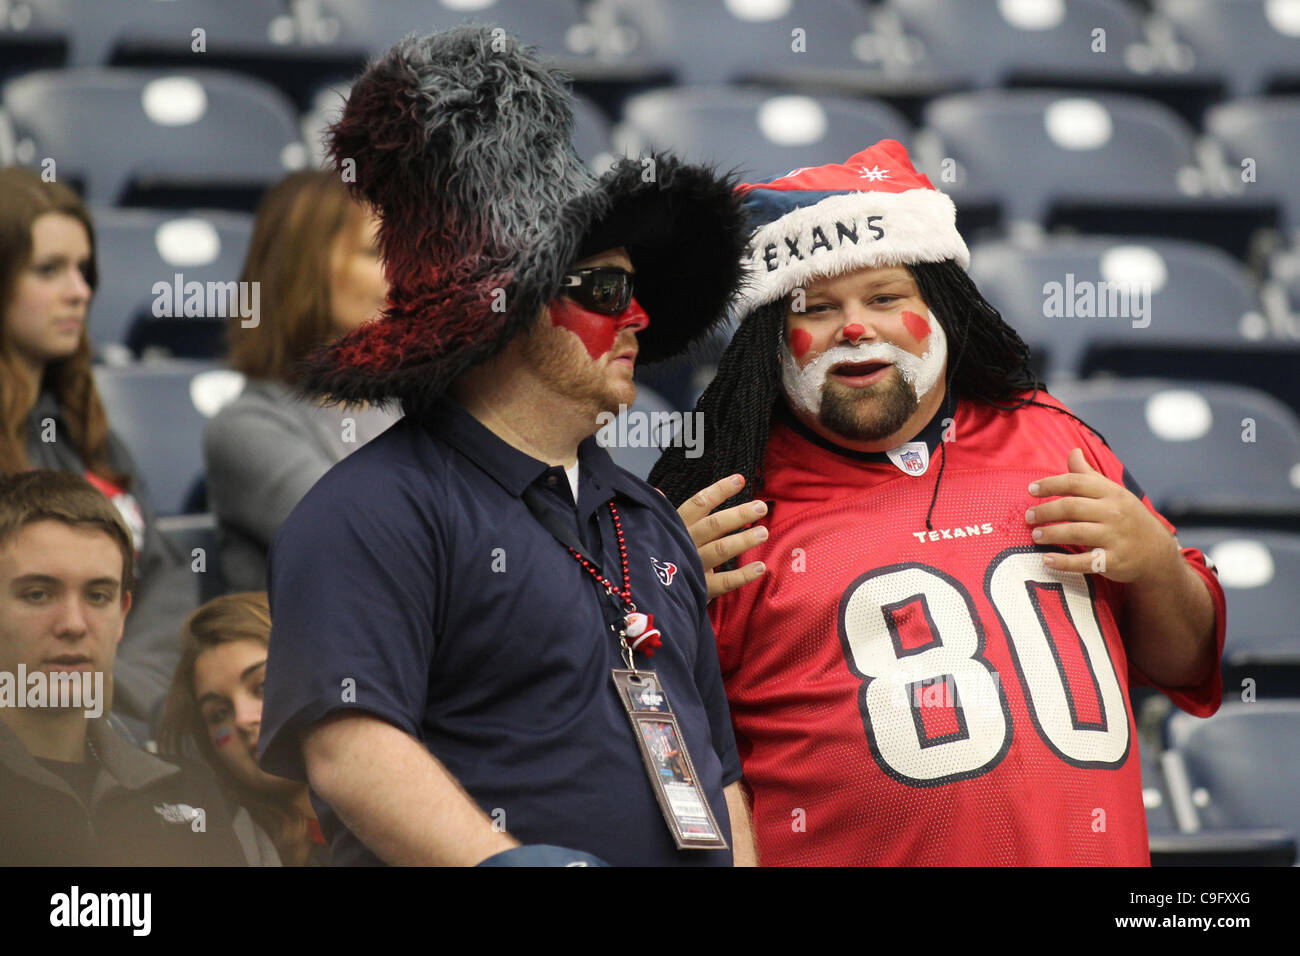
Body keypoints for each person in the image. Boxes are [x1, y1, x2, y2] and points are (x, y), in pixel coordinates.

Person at [257, 26, 756, 867]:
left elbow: (720, 774)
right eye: (605, 289)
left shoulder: (650, 522)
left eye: (635, 291)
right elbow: (348, 750)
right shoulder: (369, 511)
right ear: (511, 305)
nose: (637, 317)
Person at [650, 139, 1227, 866]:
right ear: (771, 339)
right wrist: (660, 601)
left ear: (944, 307)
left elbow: (1188, 661)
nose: (854, 326)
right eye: (818, 307)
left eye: (886, 297)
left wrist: (1153, 564)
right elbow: (650, 759)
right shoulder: (727, 507)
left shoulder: (1057, 440)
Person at [0, 167, 198, 740]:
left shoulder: (87, 434)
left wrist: (120, 692)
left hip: (124, 720)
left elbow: (164, 582)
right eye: (49, 270)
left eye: (83, 270)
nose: (80, 291)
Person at [0, 470, 272, 865]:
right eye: (38, 594)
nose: (74, 623)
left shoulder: (201, 799)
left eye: (97, 595)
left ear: (123, 614)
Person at [204, 170, 399, 593]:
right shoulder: (246, 428)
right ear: (305, 269)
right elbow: (365, 549)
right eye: (376, 252)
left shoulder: (418, 408)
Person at [157, 591, 326, 866]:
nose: (242, 720)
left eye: (261, 686)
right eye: (219, 713)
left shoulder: (409, 790)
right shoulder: (225, 851)